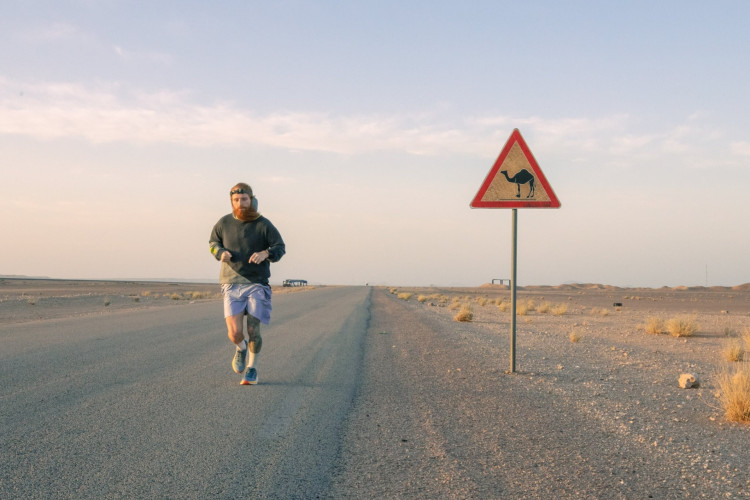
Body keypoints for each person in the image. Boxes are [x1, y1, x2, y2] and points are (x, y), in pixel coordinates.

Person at [209, 182, 285, 385]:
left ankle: (252, 369)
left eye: (244, 199)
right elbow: (213, 242)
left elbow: (280, 246)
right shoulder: (224, 223)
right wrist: (219, 253)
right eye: (236, 200)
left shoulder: (263, 224)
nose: (240, 203)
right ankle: (240, 348)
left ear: (251, 199)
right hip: (231, 283)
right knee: (234, 333)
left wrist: (265, 253)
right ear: (231, 201)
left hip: (256, 283)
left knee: (253, 330)